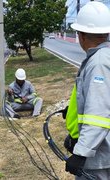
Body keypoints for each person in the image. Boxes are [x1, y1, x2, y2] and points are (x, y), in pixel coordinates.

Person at [63, 2, 110, 180]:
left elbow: (98, 114)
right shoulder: (104, 57)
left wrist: (81, 153)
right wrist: (72, 113)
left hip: (99, 156)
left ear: (81, 35)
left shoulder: (98, 63)